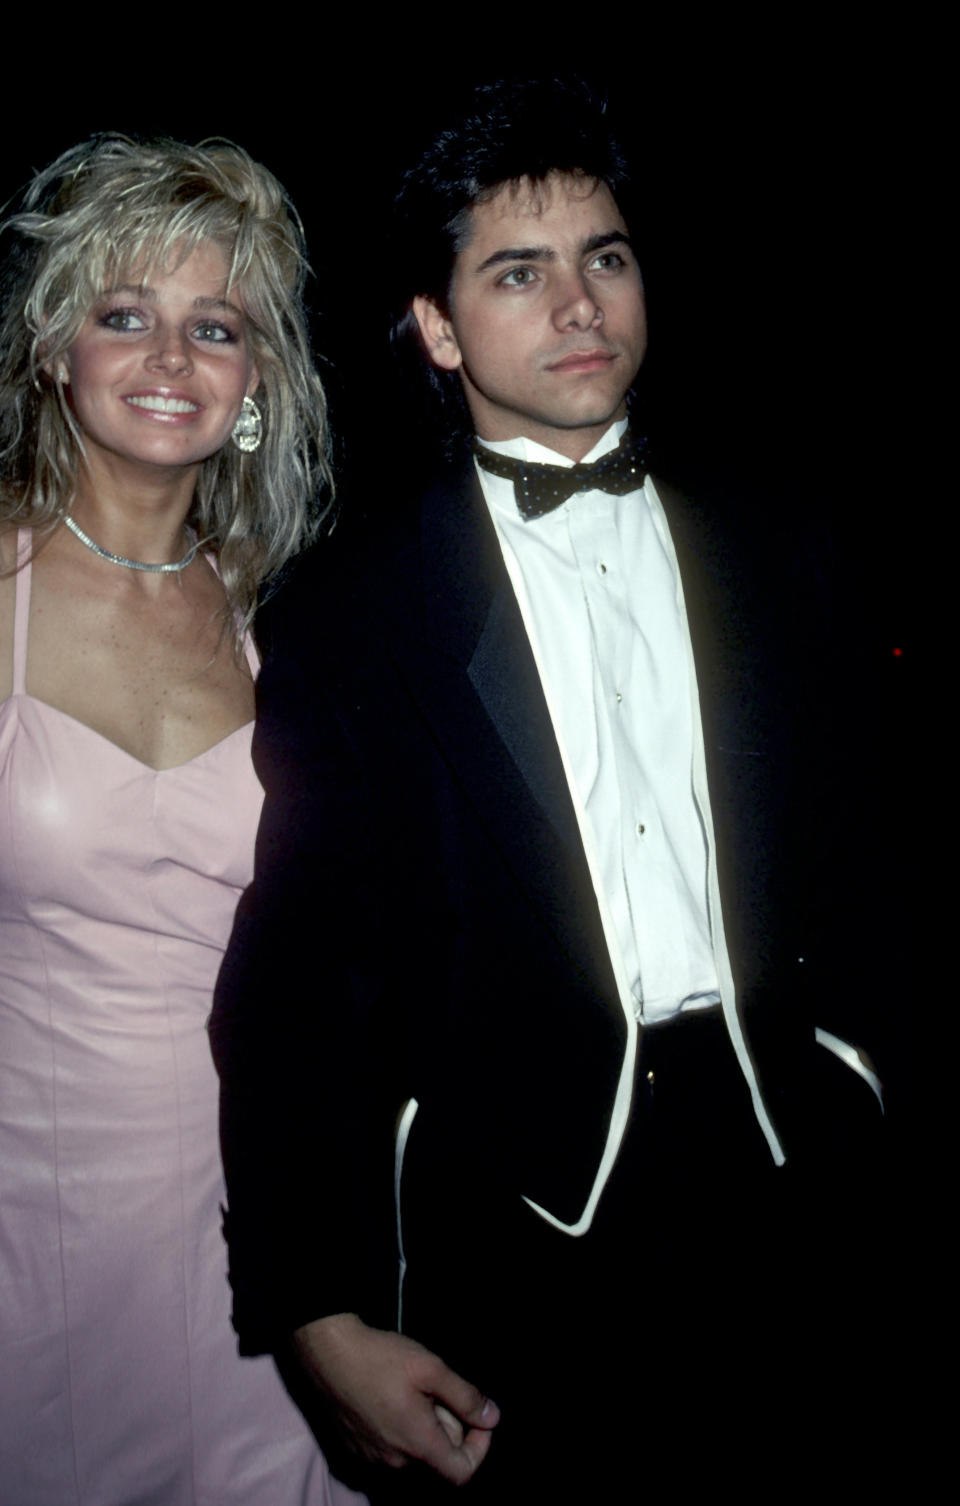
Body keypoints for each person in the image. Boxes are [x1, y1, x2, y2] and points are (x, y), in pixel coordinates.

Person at [211, 82, 890, 1500]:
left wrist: (865, 1067)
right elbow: (297, 993)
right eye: (520, 272)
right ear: (441, 325)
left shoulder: (789, 545)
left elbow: (877, 860)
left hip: (799, 1173)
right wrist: (318, 1309)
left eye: (608, 257)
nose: (579, 302)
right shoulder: (352, 613)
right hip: (518, 1225)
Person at [0, 136, 366, 1505]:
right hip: (32, 1245)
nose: (169, 357)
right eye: (123, 314)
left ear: (256, 375)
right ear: (55, 348)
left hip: (255, 1241)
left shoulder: (292, 622)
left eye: (215, 326)